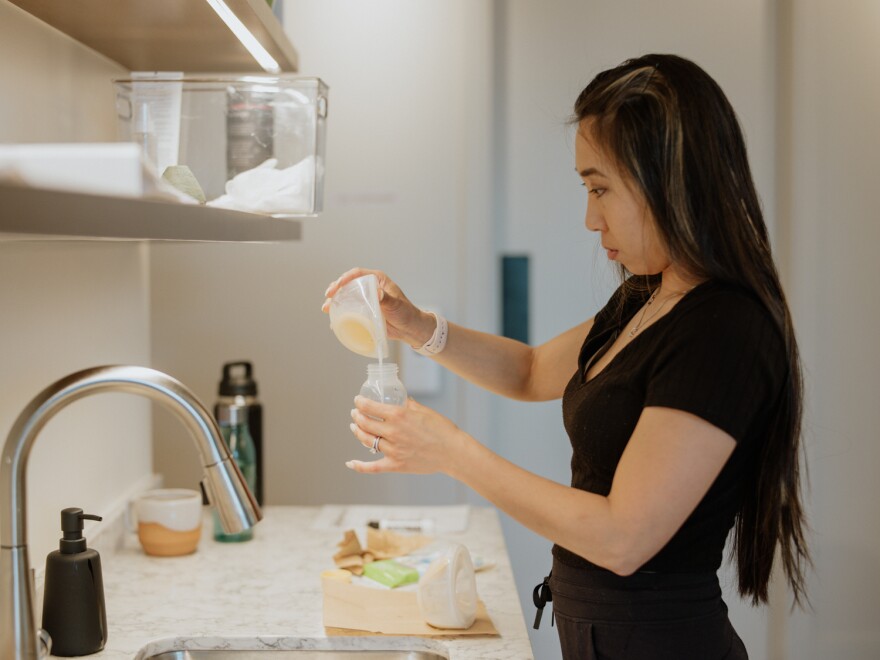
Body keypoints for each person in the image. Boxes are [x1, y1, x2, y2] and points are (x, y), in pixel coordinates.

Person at [321, 54, 809, 660]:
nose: (589, 217)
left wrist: (450, 451)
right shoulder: (645, 297)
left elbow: (623, 536)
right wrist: (418, 327)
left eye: (600, 188)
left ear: (670, 177)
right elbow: (528, 371)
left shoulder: (724, 329)